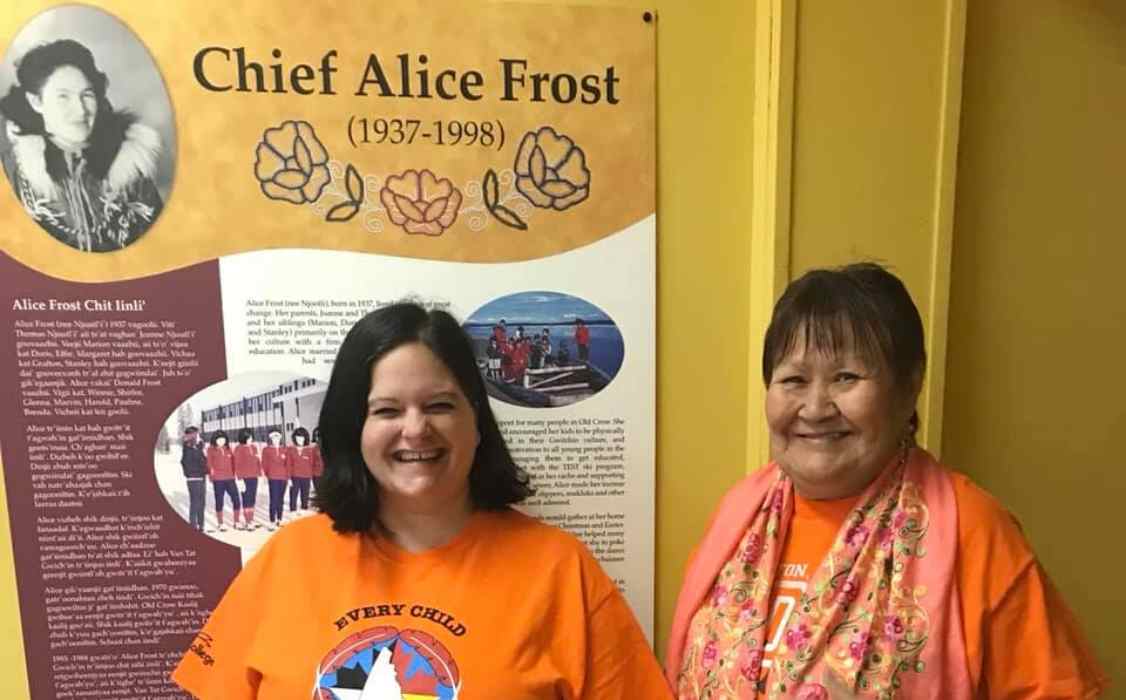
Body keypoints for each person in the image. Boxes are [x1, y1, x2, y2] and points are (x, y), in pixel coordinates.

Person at [173, 302, 671, 698]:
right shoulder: (287, 558)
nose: (416, 430)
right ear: (354, 428)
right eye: (387, 409)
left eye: (439, 405)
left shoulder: (560, 569)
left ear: (476, 421)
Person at [666, 263, 1108, 699]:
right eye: (794, 380)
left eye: (846, 377)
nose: (816, 408)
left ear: (908, 386)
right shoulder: (739, 516)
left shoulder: (971, 530)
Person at [0, 39, 163, 252]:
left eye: (87, 95)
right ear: (36, 102)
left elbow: (161, 247)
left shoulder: (128, 167)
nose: (80, 110)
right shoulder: (12, 168)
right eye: (63, 97)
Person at [205, 430, 238, 532]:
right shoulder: (211, 450)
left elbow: (233, 463)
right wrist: (211, 476)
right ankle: (221, 523)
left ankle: (236, 521)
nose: (221, 441)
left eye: (223, 439)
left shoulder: (228, 449)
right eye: (219, 439)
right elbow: (209, 464)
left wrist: (235, 474)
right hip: (218, 480)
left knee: (236, 499)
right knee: (219, 501)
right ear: (215, 440)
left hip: (230, 479)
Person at [232, 428, 261, 531]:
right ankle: (248, 521)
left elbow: (257, 462)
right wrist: (239, 479)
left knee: (252, 499)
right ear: (243, 438)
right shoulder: (238, 448)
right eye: (248, 437)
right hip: (244, 478)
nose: (250, 439)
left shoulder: (254, 447)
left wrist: (259, 474)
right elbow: (237, 465)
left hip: (254, 477)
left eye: (251, 437)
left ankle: (251, 519)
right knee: (246, 499)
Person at [179, 426, 206, 532]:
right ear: (192, 435)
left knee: (201, 502)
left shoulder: (196, 447)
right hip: (194, 479)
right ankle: (194, 526)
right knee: (195, 503)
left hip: (201, 478)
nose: (199, 436)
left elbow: (202, 461)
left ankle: (201, 525)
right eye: (197, 434)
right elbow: (187, 463)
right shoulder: (188, 448)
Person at [261, 428, 288, 531]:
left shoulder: (285, 449)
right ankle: (272, 521)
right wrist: (266, 475)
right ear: (270, 438)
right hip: (273, 478)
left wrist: (288, 477)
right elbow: (264, 463)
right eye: (273, 437)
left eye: (277, 436)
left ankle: (279, 519)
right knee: (274, 500)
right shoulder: (267, 450)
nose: (275, 439)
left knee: (280, 499)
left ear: (280, 437)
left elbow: (288, 464)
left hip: (283, 478)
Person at [287, 426, 315, 514]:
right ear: (295, 438)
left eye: (302, 437)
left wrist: (311, 478)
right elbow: (288, 464)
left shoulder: (310, 450)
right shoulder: (291, 450)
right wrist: (288, 478)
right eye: (298, 438)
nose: (300, 440)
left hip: (306, 476)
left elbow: (311, 464)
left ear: (305, 438)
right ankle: (292, 511)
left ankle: (304, 509)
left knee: (305, 495)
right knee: (293, 495)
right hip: (294, 476)